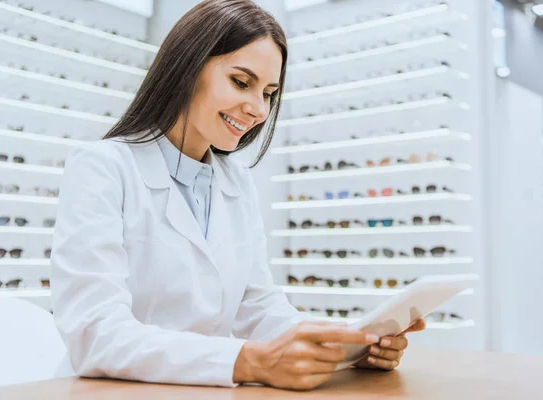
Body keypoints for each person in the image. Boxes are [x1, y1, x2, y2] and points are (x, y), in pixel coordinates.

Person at [50, 0, 424, 391]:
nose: (258, 109)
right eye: (241, 82)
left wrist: (351, 342)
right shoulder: (102, 167)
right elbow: (95, 333)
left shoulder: (236, 180)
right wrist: (247, 361)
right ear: (187, 68)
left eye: (269, 93)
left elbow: (259, 307)